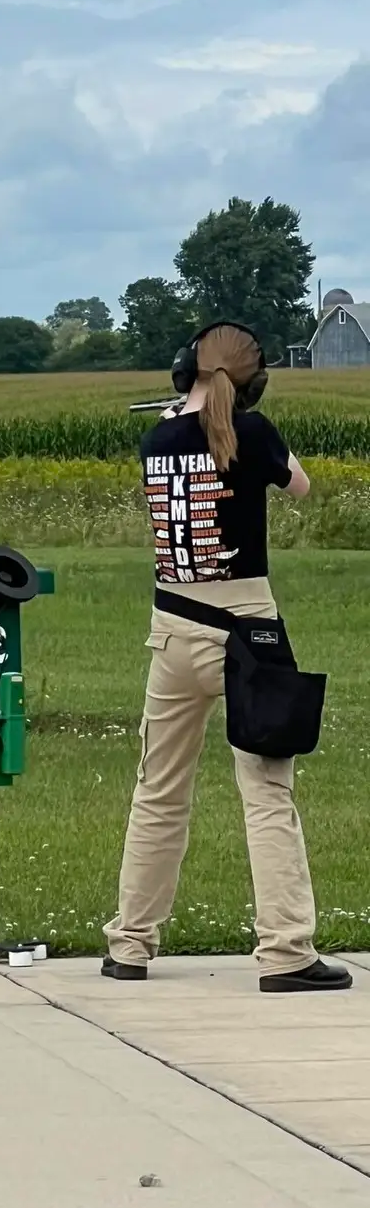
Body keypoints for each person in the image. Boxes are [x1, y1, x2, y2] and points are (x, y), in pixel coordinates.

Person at [103, 322, 351, 992]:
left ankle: (130, 942)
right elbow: (298, 486)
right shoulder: (255, 433)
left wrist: (180, 424)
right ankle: (286, 951)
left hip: (172, 628)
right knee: (268, 796)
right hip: (248, 631)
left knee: (158, 791)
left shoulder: (155, 438)